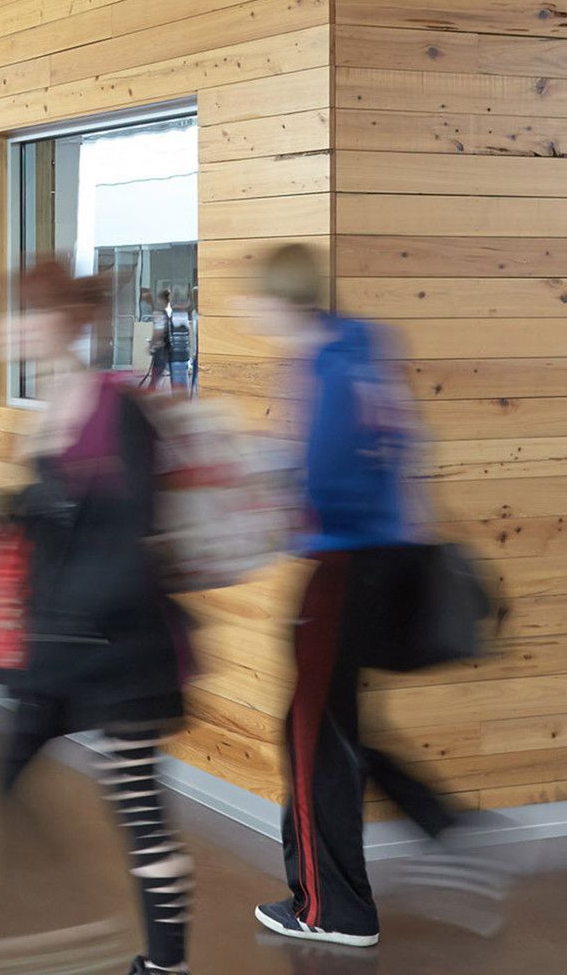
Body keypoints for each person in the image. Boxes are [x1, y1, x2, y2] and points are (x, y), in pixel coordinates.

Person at [0, 260, 192, 975]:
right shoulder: (54, 408)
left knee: (137, 800)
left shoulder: (117, 409)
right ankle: (69, 930)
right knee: (6, 773)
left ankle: (159, 961)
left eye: (23, 313)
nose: (9, 328)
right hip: (69, 643)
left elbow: (132, 531)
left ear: (58, 321)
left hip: (122, 650)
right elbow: (55, 521)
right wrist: (0, 511)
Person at [252, 244, 459, 951]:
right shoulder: (366, 347)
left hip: (339, 571)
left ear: (280, 301)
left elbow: (321, 483)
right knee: (325, 731)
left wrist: (262, 498)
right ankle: (433, 820)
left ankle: (330, 909)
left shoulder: (325, 366)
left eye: (258, 302)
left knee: (314, 742)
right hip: (382, 565)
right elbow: (407, 455)